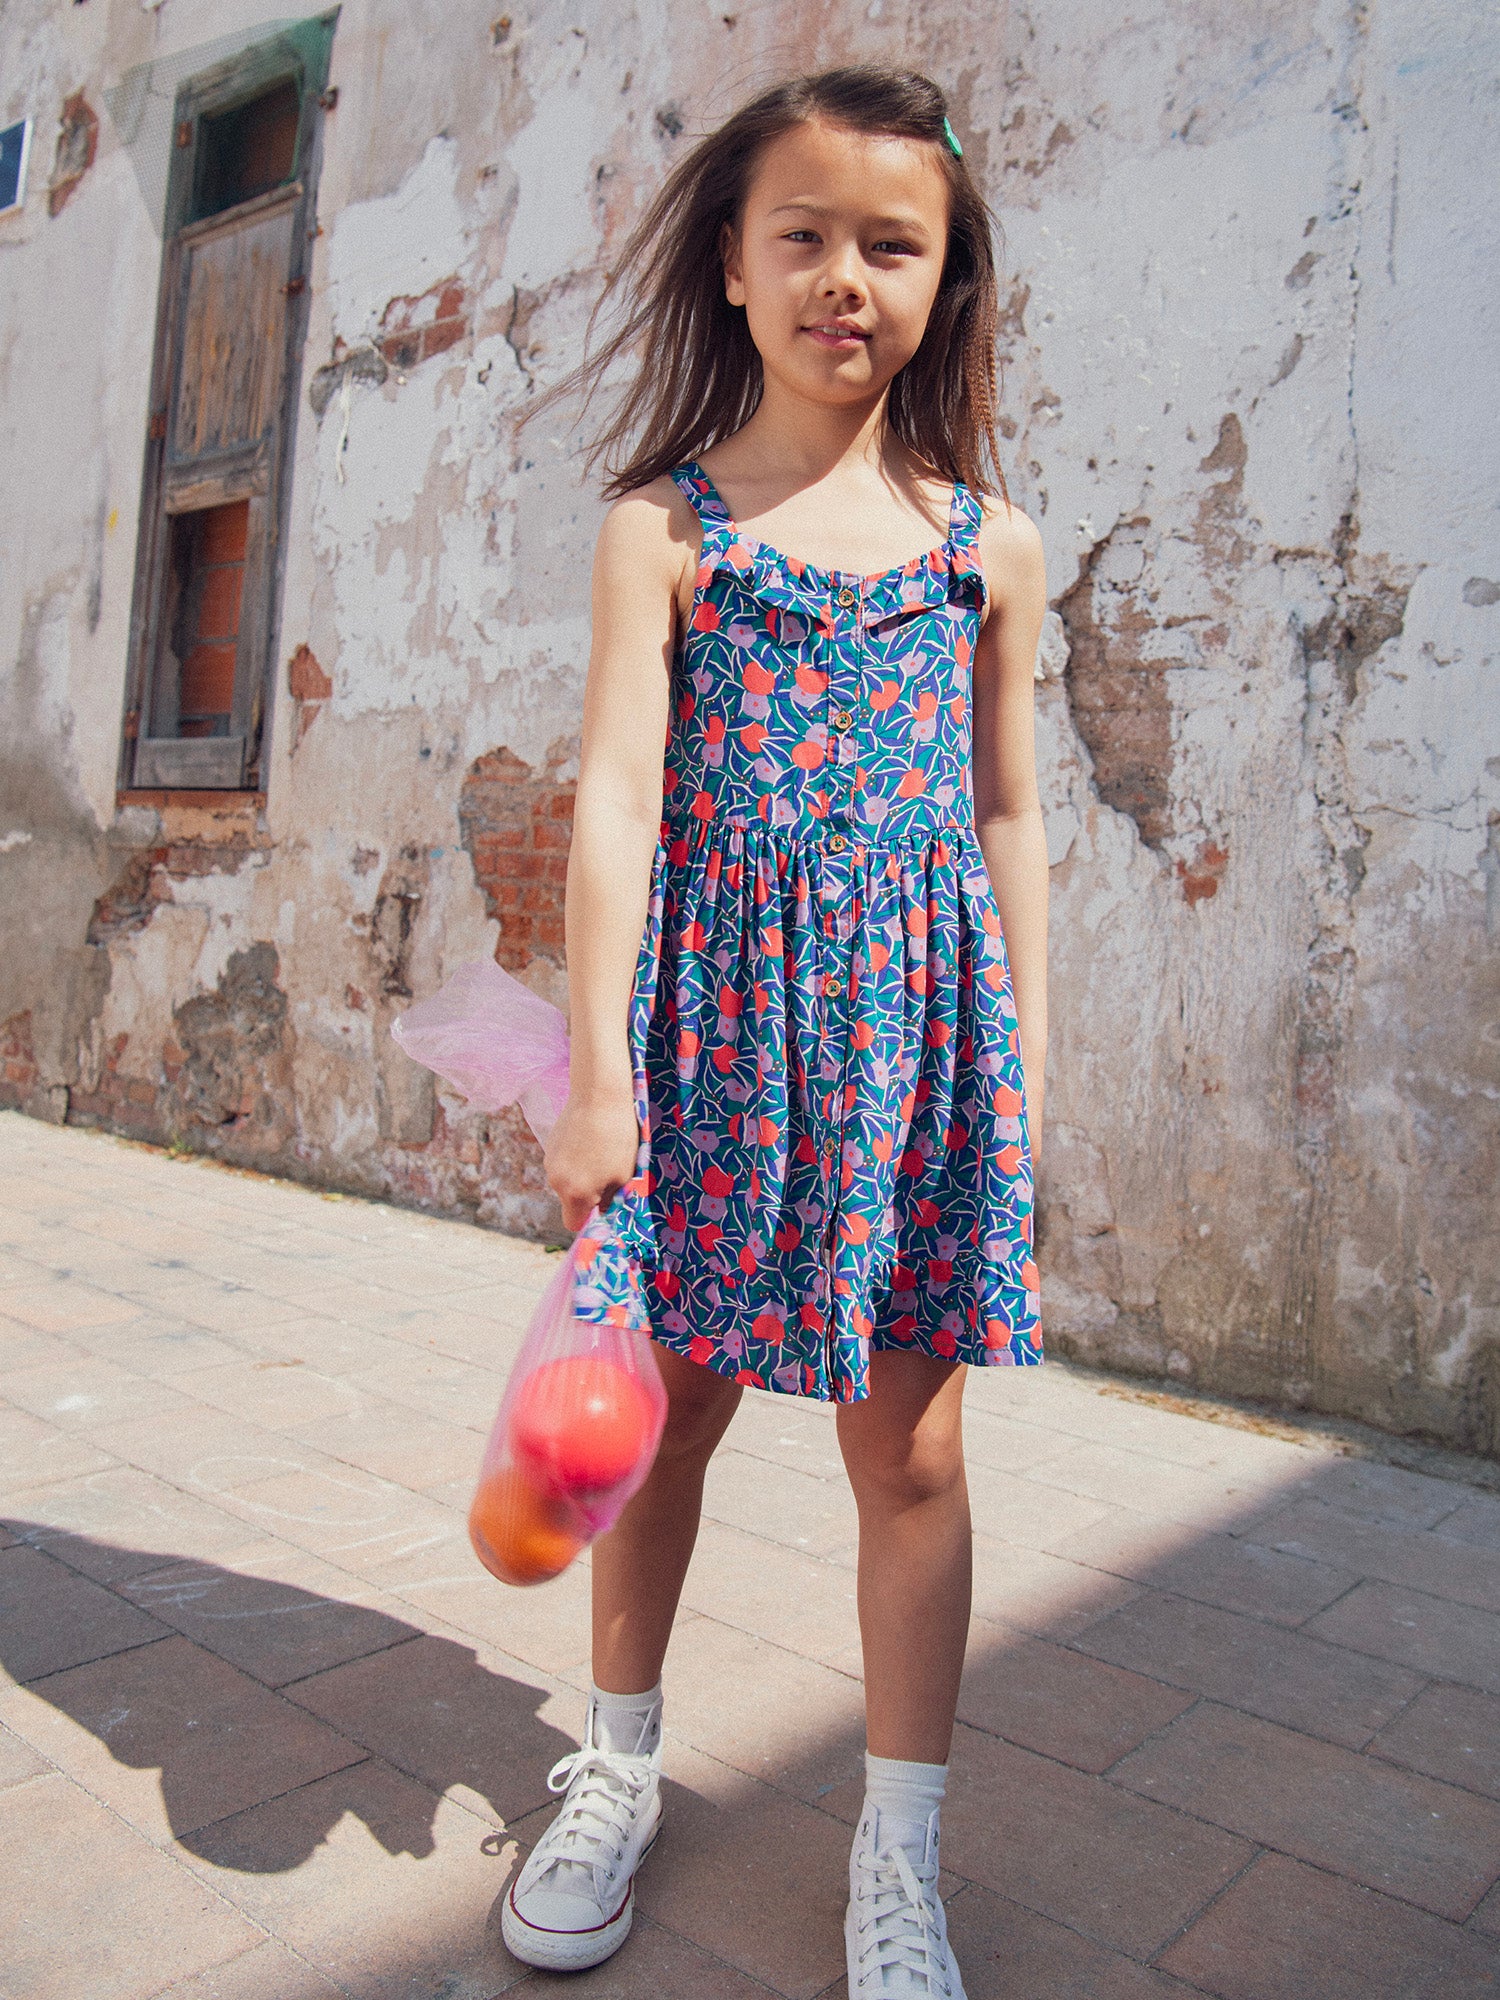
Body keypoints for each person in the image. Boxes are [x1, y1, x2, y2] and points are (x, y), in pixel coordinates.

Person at [501, 64, 1048, 2000]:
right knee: (669, 1424)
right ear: (731, 267)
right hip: (711, 1034)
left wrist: (1026, 1074)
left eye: (889, 243)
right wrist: (594, 1071)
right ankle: (616, 1767)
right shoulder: (663, 528)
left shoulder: (990, 547)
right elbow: (618, 801)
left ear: (942, 276)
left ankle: (901, 1855)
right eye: (799, 236)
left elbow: (1005, 814)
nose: (843, 276)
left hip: (918, 1048)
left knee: (912, 1452)